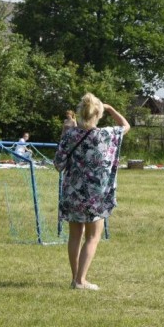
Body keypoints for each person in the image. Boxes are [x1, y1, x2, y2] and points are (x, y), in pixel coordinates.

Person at [54, 93, 130, 291]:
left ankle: (75, 278)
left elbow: (58, 164)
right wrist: (111, 109)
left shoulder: (70, 135)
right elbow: (126, 126)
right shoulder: (106, 135)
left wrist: (65, 133)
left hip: (72, 193)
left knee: (74, 236)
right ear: (98, 113)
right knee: (92, 237)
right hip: (95, 196)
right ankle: (81, 280)